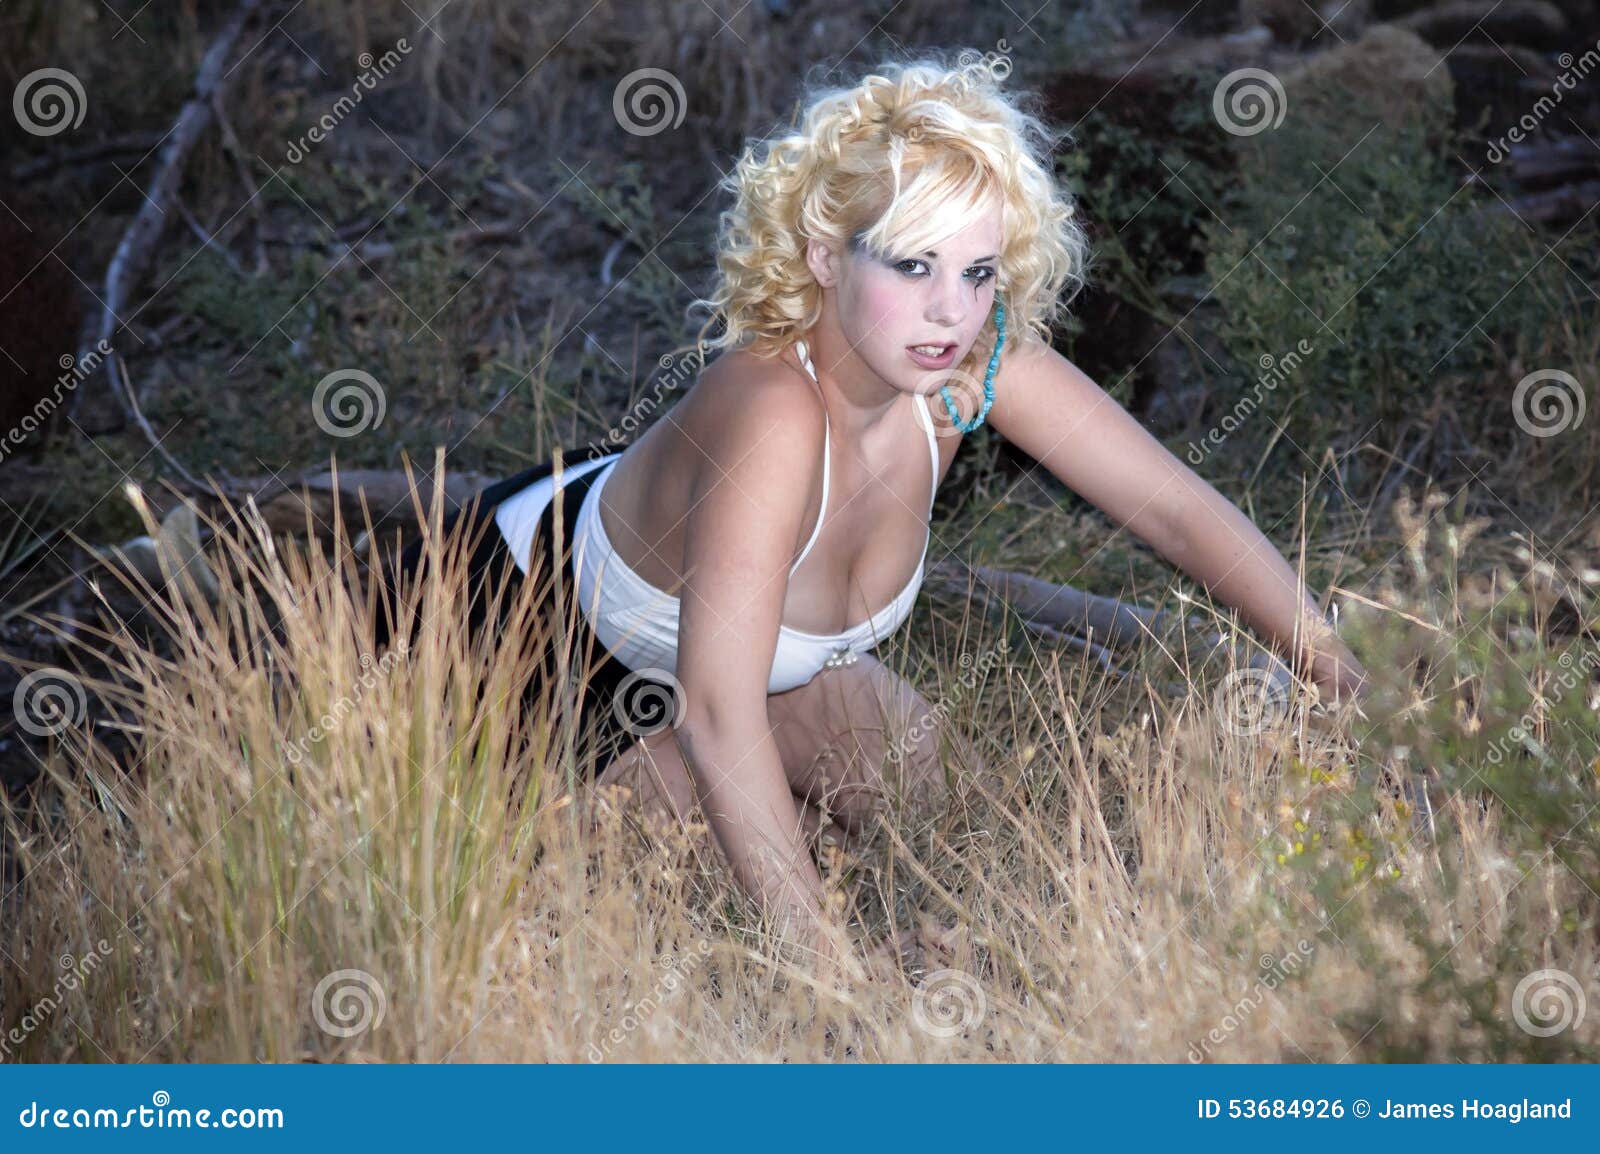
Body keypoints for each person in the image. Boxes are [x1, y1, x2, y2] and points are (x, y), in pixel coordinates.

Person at [383, 51, 1369, 972]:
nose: (948, 312)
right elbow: (718, 711)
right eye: (910, 265)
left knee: (986, 840)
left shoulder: (968, 365)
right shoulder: (772, 411)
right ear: (822, 257)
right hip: (517, 649)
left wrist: (1352, 685)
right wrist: (835, 986)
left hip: (736, 667)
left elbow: (1178, 514)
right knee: (733, 896)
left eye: (976, 272)